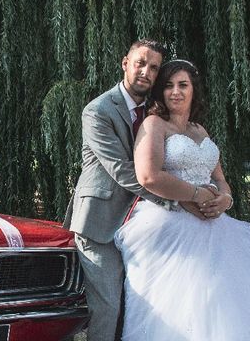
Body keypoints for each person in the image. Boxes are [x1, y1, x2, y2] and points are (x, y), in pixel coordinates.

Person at [115, 59, 250, 340]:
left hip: (217, 224)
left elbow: (219, 178)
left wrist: (225, 199)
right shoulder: (154, 125)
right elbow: (149, 177)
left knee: (232, 295)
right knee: (191, 297)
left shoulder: (199, 130)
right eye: (168, 86)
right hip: (171, 221)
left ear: (194, 90)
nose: (175, 92)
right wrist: (195, 195)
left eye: (183, 85)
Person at [63, 40, 216, 341]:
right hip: (102, 221)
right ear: (125, 64)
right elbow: (123, 171)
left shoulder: (156, 112)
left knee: (153, 300)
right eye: (140, 63)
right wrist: (178, 200)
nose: (146, 72)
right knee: (109, 305)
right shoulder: (98, 111)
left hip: (145, 223)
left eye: (154, 67)